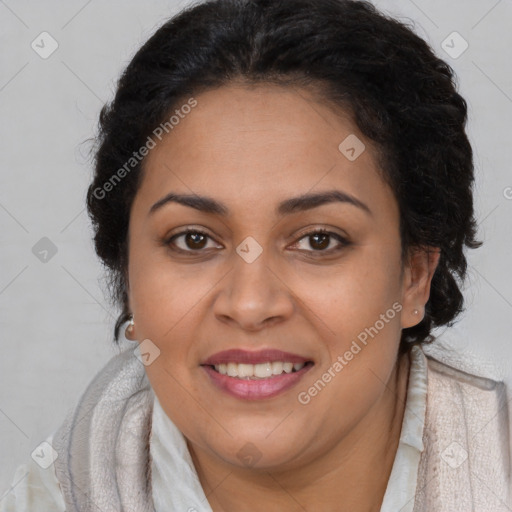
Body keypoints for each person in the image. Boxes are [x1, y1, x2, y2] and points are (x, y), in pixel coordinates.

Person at [2, 0, 510, 510]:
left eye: (318, 240)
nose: (249, 305)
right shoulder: (57, 492)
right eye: (193, 240)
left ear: (415, 277)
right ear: (127, 270)